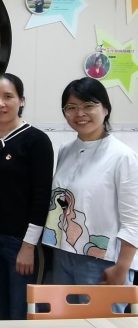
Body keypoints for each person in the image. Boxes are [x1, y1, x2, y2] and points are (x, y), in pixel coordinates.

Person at [43, 77, 138, 295]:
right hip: (63, 252)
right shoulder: (66, 150)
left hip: (103, 261)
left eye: (88, 105)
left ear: (105, 109)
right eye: (71, 107)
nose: (80, 113)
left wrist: (122, 267)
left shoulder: (123, 157)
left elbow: (134, 219)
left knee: (100, 318)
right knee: (65, 317)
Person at [0, 74, 53, 320]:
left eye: (8, 97)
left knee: (19, 314)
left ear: (21, 100)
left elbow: (42, 197)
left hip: (20, 243)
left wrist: (28, 246)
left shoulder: (36, 140)